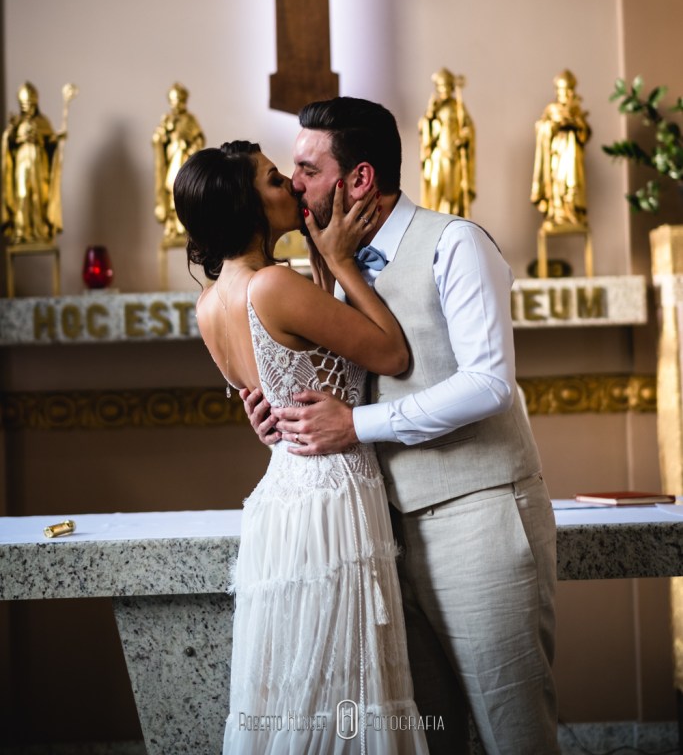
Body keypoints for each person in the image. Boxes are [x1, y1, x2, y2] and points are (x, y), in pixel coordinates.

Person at [245, 97, 560, 755]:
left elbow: (488, 383)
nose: (294, 183)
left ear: (359, 179)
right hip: (378, 532)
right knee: (427, 735)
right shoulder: (328, 264)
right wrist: (280, 412)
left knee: (513, 732)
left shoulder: (455, 243)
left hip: (476, 515)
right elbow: (340, 382)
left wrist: (354, 424)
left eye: (307, 169)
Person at [173, 141, 429, 754]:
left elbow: (279, 387)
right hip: (331, 492)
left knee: (302, 687)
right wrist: (340, 260)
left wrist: (320, 261)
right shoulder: (273, 286)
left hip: (282, 494)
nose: (290, 183)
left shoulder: (210, 303)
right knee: (347, 685)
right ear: (246, 205)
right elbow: (392, 353)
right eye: (272, 179)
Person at [1, 82, 66, 244]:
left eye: (30, 104)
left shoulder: (43, 122)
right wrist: (13, 134)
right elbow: (8, 145)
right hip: (22, 164)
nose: (28, 107)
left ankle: (40, 230)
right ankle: (21, 230)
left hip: (39, 165)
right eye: (25, 104)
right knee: (23, 195)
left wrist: (57, 138)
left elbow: (51, 143)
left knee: (39, 197)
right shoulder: (17, 124)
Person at [531, 69, 591, 228]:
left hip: (572, 155)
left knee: (572, 184)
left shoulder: (576, 109)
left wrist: (576, 123)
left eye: (570, 90)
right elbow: (541, 128)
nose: (568, 93)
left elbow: (585, 133)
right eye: (564, 90)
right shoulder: (552, 109)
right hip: (557, 155)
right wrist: (554, 125)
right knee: (557, 183)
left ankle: (573, 213)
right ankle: (557, 213)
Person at [418, 68, 476, 218]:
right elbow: (424, 129)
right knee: (435, 189)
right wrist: (429, 117)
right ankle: (434, 217)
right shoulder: (434, 107)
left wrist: (464, 137)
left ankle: (450, 217)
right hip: (437, 156)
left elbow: (468, 127)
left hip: (452, 156)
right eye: (441, 86)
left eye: (447, 86)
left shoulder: (457, 106)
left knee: (452, 193)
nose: (444, 90)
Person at [152, 83, 205, 241]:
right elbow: (159, 141)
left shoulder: (190, 119)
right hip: (172, 162)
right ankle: (172, 225)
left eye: (179, 100)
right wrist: (160, 137)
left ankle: (184, 223)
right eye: (173, 101)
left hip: (185, 162)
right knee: (171, 190)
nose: (176, 104)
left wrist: (188, 147)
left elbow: (200, 140)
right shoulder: (167, 119)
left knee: (185, 191)